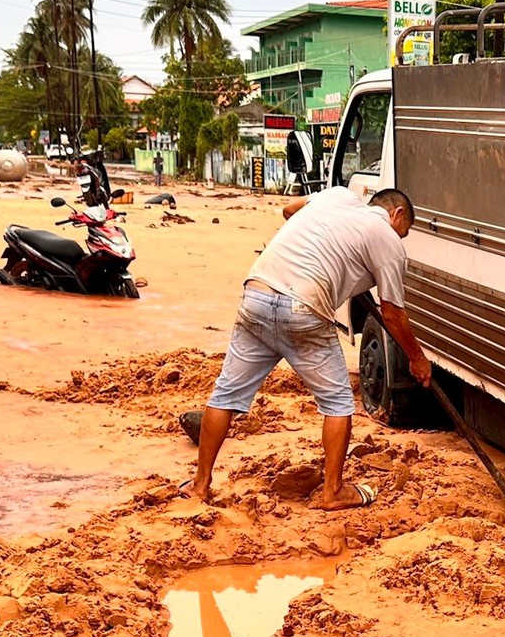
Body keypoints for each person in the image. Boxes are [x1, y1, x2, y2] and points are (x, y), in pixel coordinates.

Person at [183, 186, 430, 510]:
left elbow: (288, 210)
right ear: (397, 214)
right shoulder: (386, 238)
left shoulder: (338, 196)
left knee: (225, 395)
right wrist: (417, 357)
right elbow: (393, 313)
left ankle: (200, 484)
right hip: (303, 310)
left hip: (257, 293)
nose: (402, 237)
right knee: (338, 403)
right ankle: (333, 491)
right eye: (405, 231)